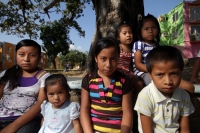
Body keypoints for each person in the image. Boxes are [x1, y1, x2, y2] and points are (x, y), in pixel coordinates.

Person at [134, 46, 195, 133]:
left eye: (173, 74)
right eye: (160, 75)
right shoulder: (145, 96)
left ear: (181, 72)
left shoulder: (184, 96)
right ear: (150, 75)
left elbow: (185, 129)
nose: (168, 81)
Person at [80, 37, 133, 133]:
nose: (108, 64)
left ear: (118, 58)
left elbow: (127, 112)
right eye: (103, 59)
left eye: (113, 59)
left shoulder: (124, 81)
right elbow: (84, 110)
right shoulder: (88, 80)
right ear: (96, 58)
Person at [132, 14, 194, 95]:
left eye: (153, 28)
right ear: (140, 31)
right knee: (154, 87)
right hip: (143, 72)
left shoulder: (157, 45)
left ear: (158, 29)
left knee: (189, 87)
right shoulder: (139, 44)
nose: (150, 31)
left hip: (161, 72)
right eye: (146, 29)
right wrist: (153, 71)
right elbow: (138, 64)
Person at [0, 39, 50, 133]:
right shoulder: (6, 74)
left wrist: (13, 127)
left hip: (27, 121)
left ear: (39, 58)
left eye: (32, 55)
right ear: (16, 56)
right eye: (21, 55)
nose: (26, 59)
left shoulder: (44, 77)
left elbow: (41, 104)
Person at [116, 21, 143, 90]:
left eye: (130, 32)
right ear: (118, 37)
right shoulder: (119, 48)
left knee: (140, 84)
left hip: (128, 73)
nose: (128, 35)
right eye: (124, 33)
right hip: (118, 72)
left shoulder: (132, 49)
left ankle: (139, 99)